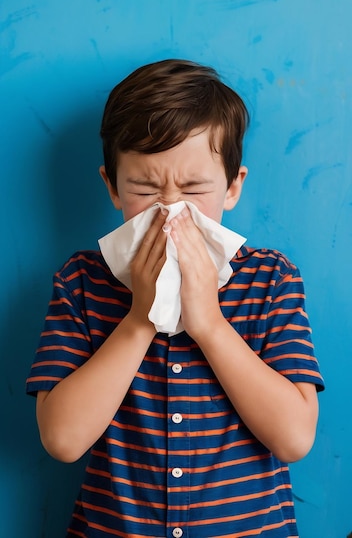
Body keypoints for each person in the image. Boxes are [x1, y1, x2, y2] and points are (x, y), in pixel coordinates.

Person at [26, 59, 324, 538]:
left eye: (193, 188)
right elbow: (62, 440)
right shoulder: (81, 282)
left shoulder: (271, 280)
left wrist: (209, 323)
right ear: (112, 187)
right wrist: (139, 320)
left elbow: (293, 438)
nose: (170, 210)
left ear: (232, 187)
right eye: (144, 188)